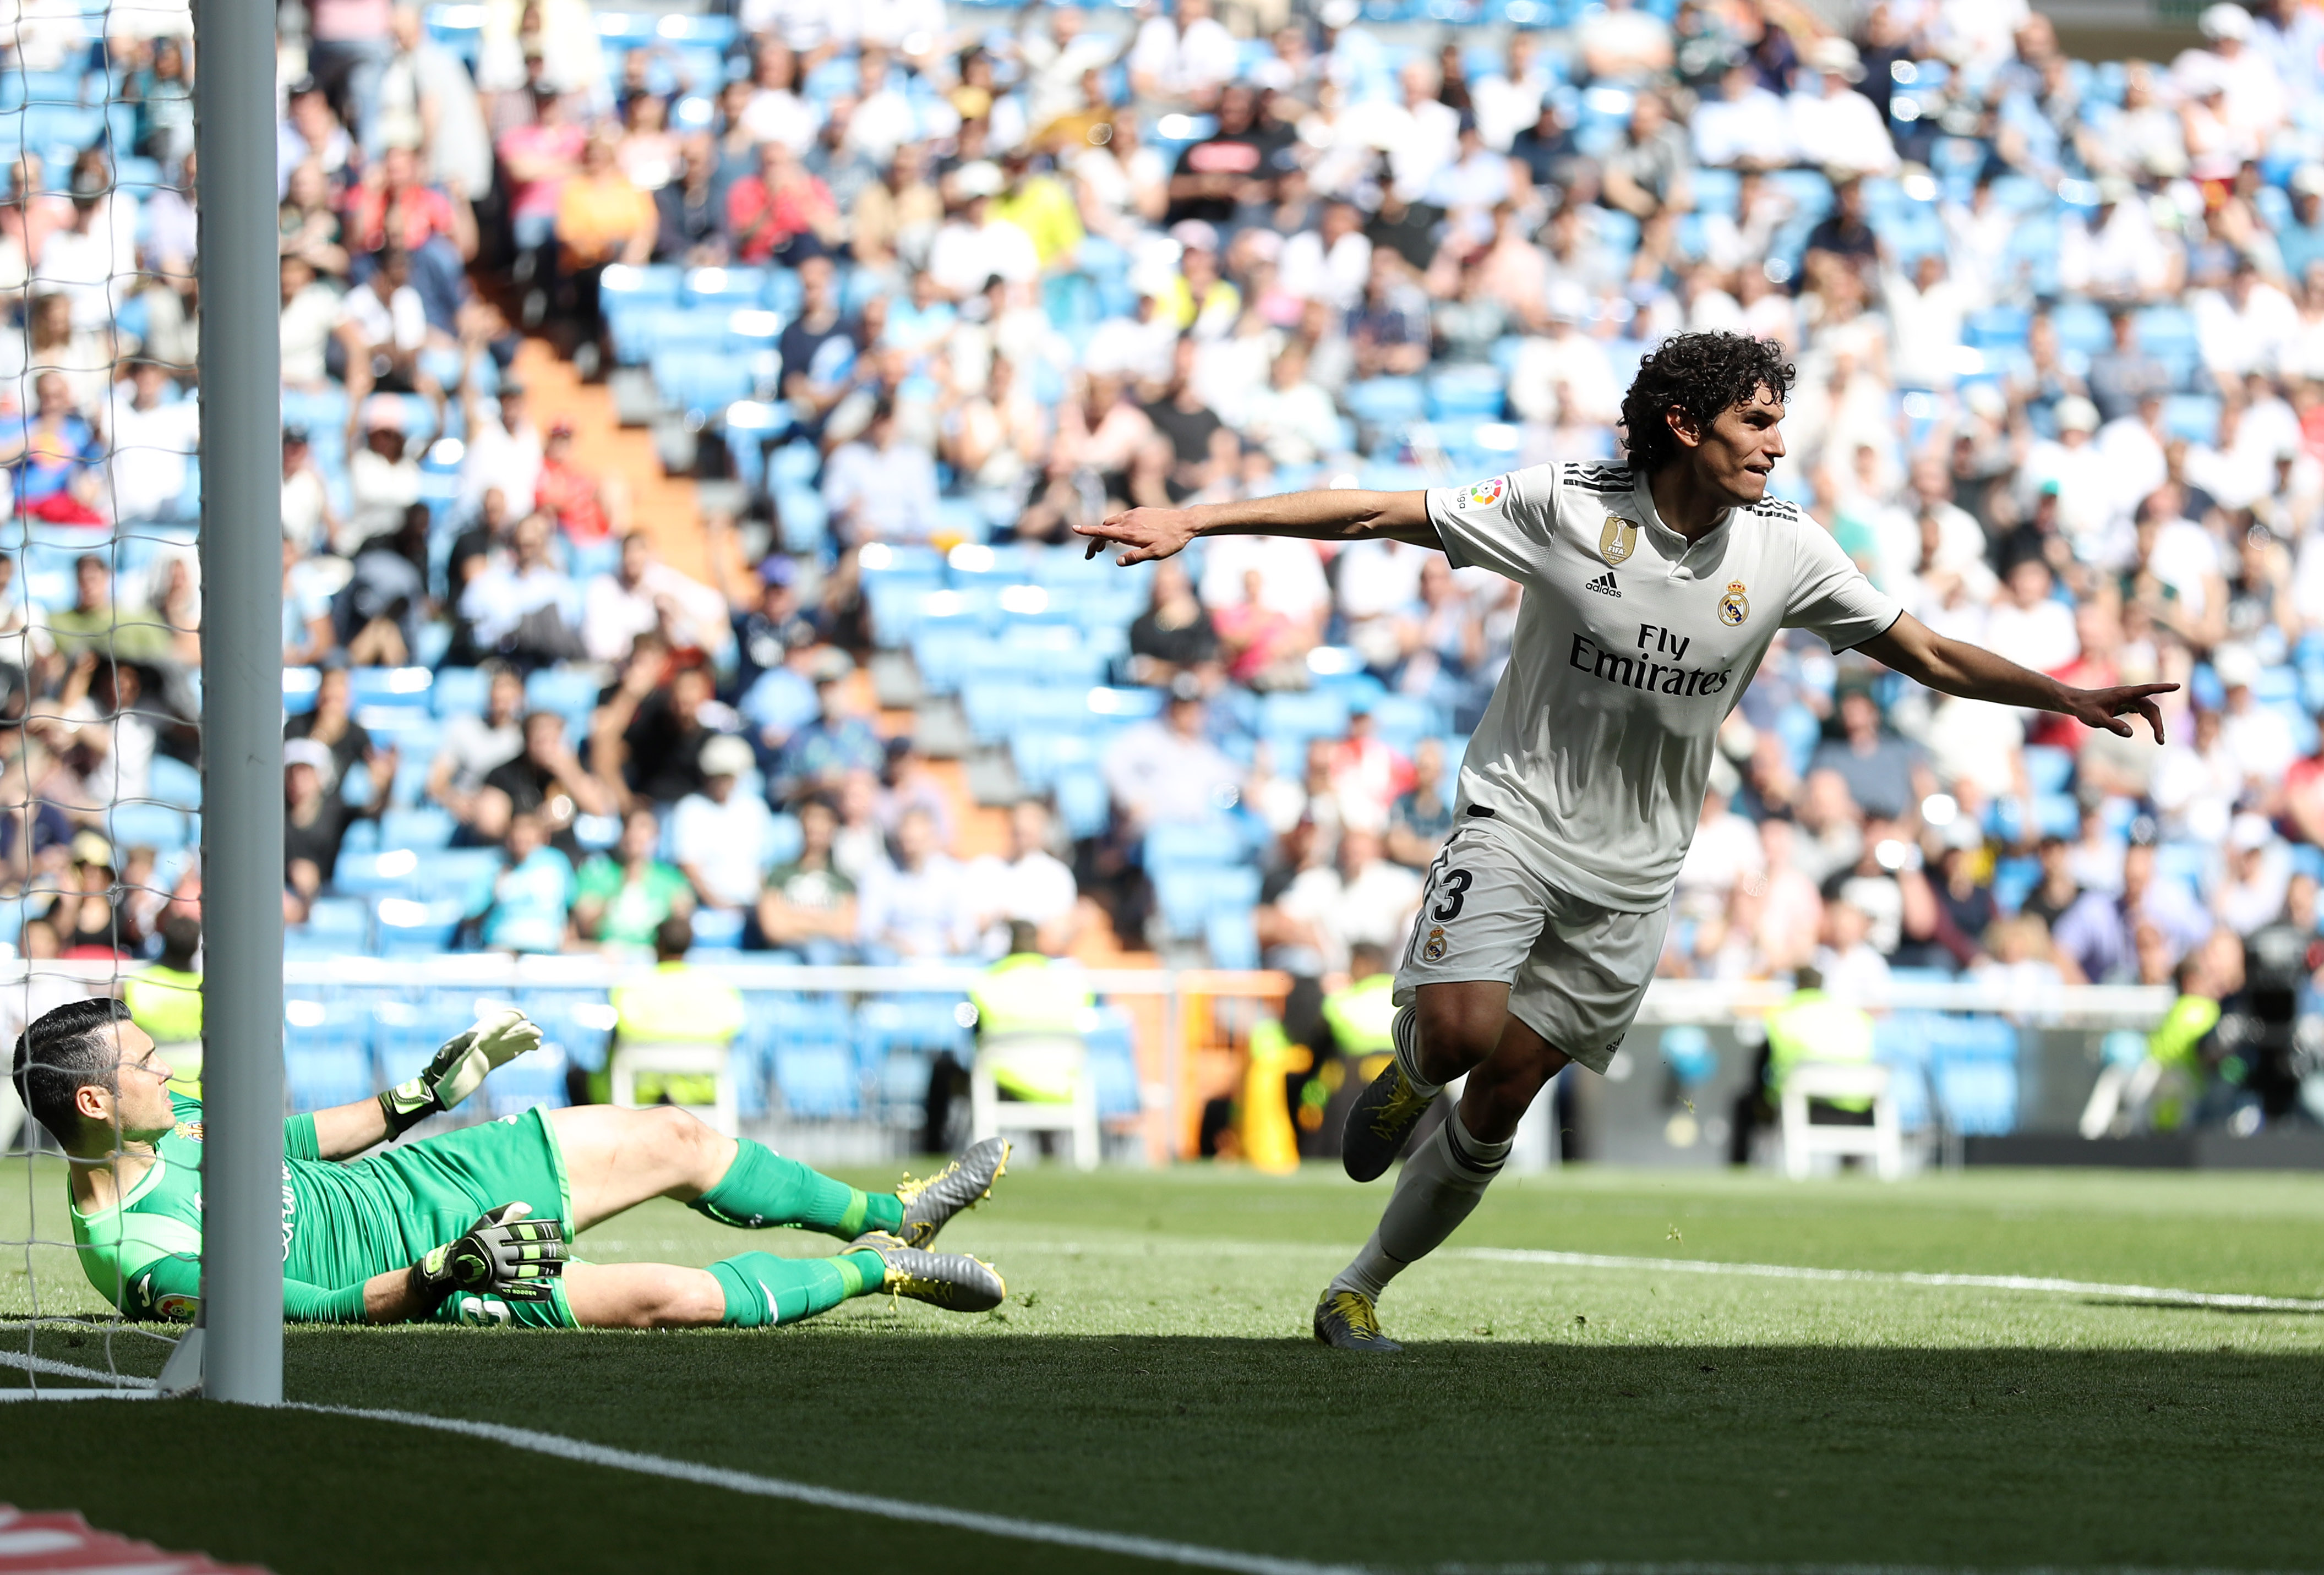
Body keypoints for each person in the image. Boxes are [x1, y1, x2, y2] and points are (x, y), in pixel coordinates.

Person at [1074, 330, 2176, 1353]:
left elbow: (1925, 651)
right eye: (1754, 422)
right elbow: (1374, 514)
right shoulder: (1560, 505)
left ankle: (1355, 1289)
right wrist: (1197, 521)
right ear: (1686, 428)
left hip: (1635, 877)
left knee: (1504, 1097)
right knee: (1459, 1034)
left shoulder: (1784, 549)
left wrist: (2063, 699)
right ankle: (1412, 1069)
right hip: (1514, 821)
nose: (1776, 444)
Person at [17, 997, 1010, 1327]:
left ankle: (895, 1208)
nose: (170, 1069)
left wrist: (421, 1098)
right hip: (443, 1265)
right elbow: (307, 1312)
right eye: (148, 1062)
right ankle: (885, 1267)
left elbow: (291, 1142)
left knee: (675, 1138)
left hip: (422, 1181)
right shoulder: (137, 1256)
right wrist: (445, 1270)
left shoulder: (168, 1116)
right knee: (674, 1299)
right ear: (95, 1100)